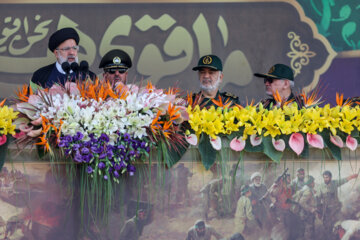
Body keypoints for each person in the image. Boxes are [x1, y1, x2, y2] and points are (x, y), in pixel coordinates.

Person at [31, 27, 95, 88]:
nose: (72, 52)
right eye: (66, 49)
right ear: (56, 53)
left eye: (74, 48)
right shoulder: (40, 75)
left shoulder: (90, 77)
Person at [318, 170, 358, 239]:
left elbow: (344, 180)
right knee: (327, 227)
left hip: (336, 210)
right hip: (327, 211)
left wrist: (352, 176)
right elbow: (318, 199)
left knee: (340, 224)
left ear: (330, 177)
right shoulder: (320, 187)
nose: (325, 179)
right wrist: (319, 211)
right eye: (324, 177)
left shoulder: (334, 183)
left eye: (327, 177)